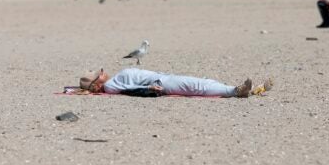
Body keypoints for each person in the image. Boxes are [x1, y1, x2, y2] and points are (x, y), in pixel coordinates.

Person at [78, 68, 273, 98]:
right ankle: (235, 91)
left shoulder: (113, 80)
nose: (102, 72)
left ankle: (237, 89)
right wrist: (148, 88)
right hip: (160, 83)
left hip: (164, 78)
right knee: (196, 86)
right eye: (98, 74)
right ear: (96, 85)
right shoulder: (111, 87)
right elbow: (130, 90)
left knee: (201, 82)